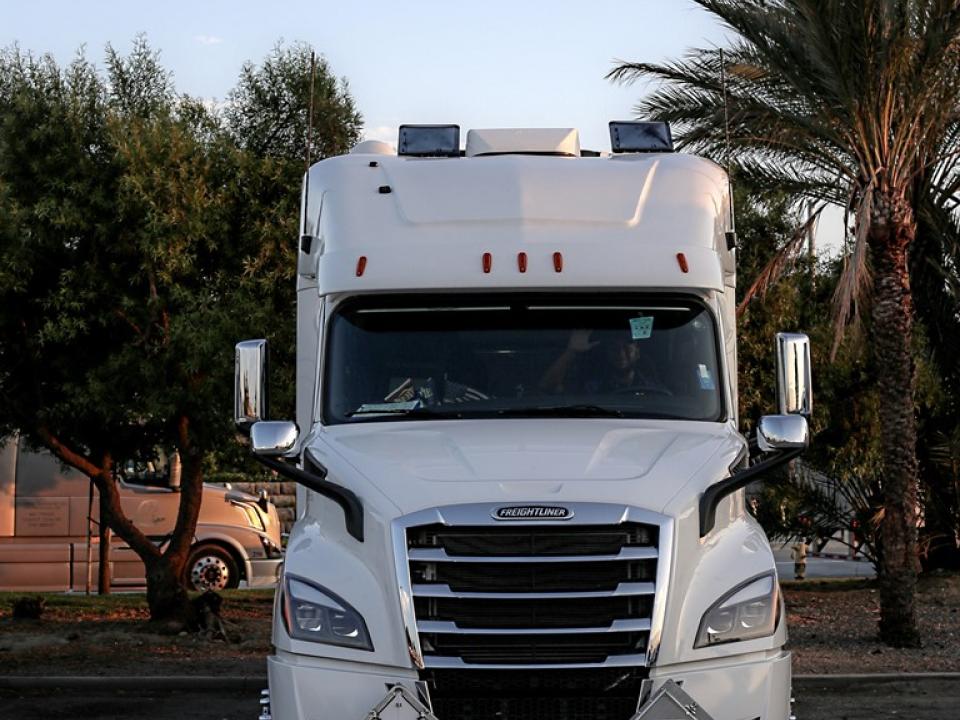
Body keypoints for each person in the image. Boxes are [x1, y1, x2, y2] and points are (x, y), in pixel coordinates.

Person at [539, 329, 665, 395]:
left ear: (637, 352)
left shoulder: (652, 388)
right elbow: (548, 387)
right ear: (606, 352)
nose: (621, 354)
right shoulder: (590, 386)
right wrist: (571, 351)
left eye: (627, 347)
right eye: (614, 348)